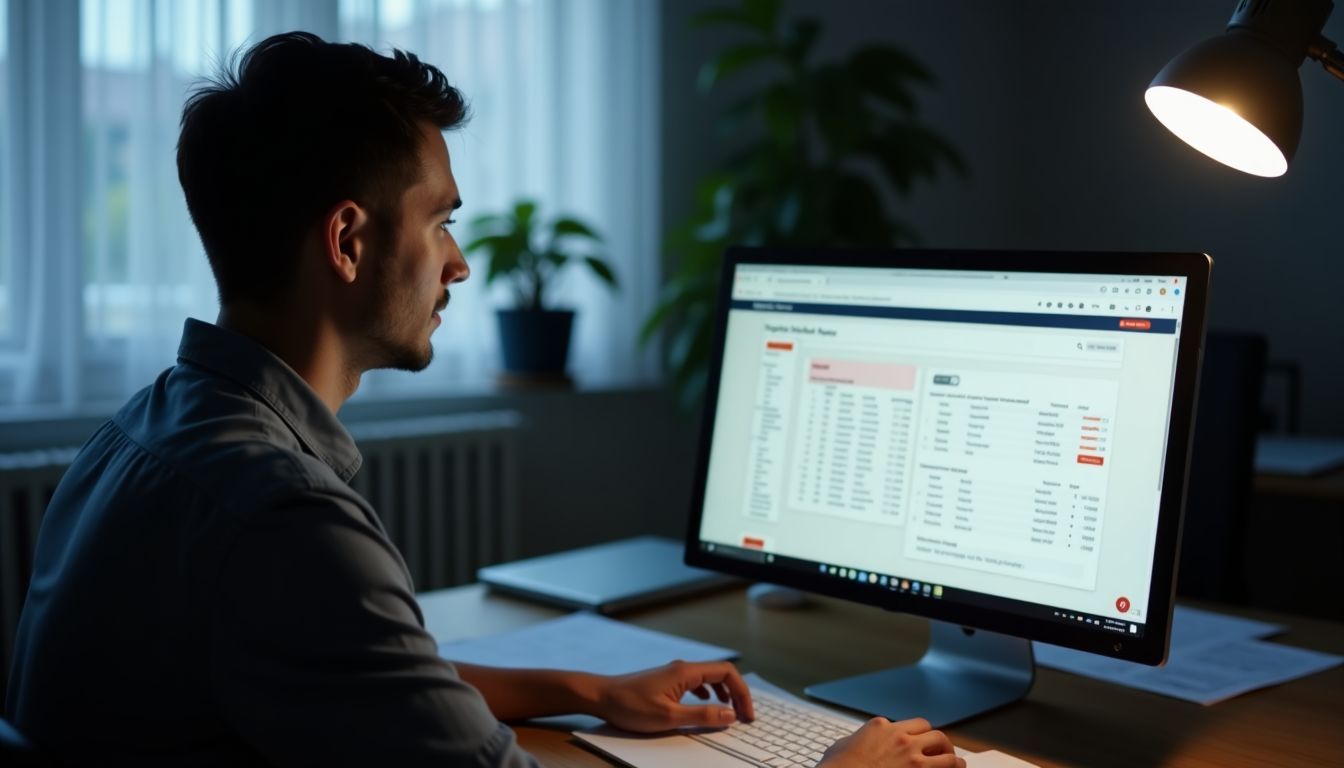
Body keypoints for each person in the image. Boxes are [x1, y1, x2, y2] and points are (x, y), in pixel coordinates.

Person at [5, 32, 963, 768]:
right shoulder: (285, 519)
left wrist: (582, 688)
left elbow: (355, 678)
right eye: (442, 222)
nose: (460, 264)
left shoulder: (139, 434)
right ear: (347, 242)